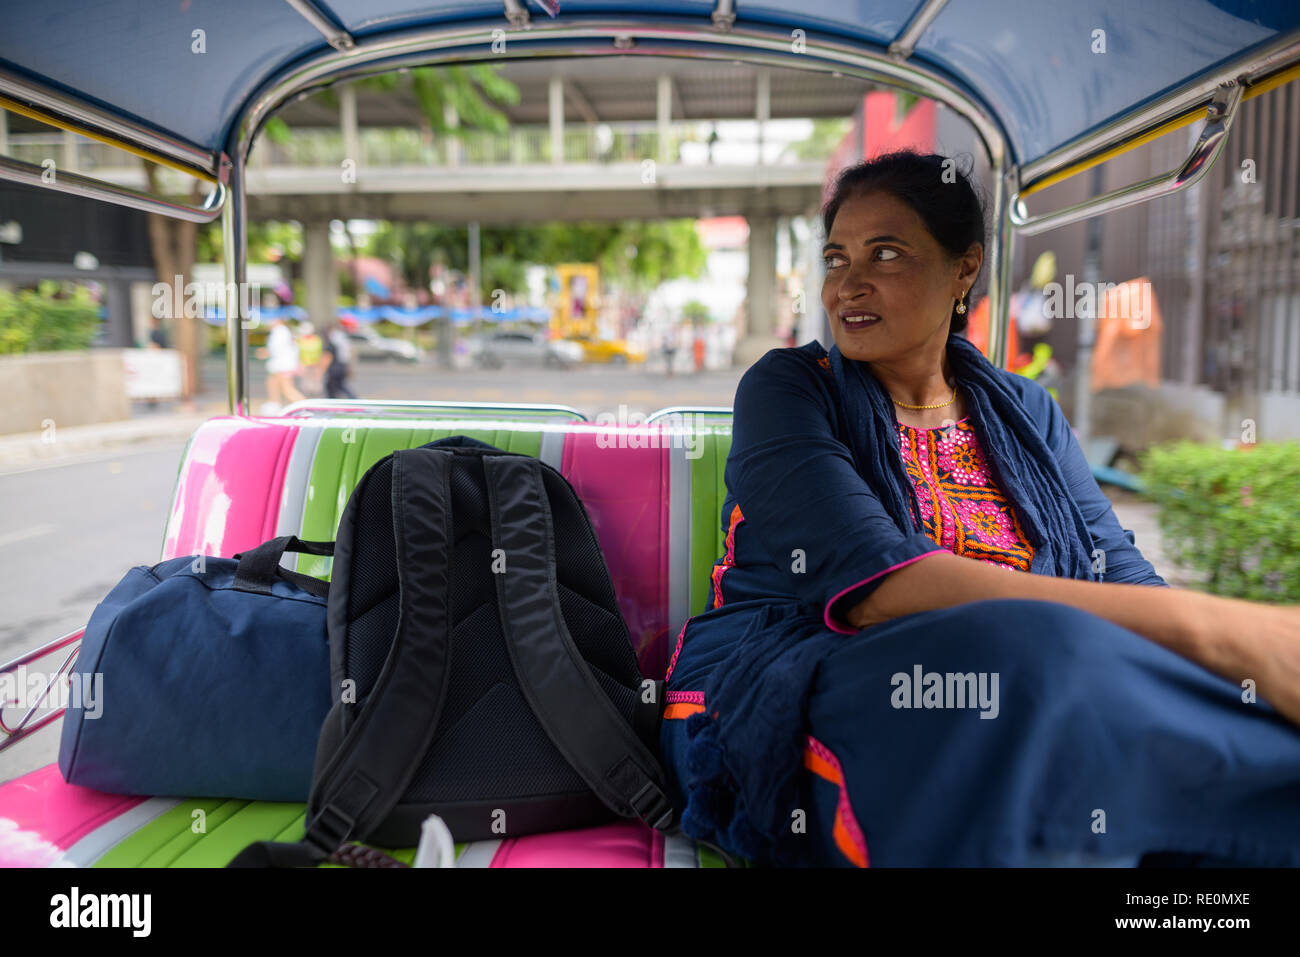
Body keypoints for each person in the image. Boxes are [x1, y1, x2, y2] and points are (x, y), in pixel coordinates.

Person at [660, 149, 1300, 868]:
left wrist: (1235, 663)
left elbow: (1116, 573)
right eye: (836, 258)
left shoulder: (1027, 410)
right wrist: (1225, 629)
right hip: (780, 687)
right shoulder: (788, 390)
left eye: (887, 253)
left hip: (1034, 675)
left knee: (1209, 710)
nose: (849, 284)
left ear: (964, 269)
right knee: (1032, 660)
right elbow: (879, 586)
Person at [255, 315, 304, 412]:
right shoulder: (283, 331)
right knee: (274, 384)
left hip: (282, 365)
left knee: (287, 389)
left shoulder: (280, 332)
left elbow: (277, 349)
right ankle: (275, 405)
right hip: (282, 365)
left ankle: (305, 407)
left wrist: (265, 352)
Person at [322, 322, 358, 399]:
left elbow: (329, 356)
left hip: (336, 367)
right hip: (342, 365)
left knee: (332, 386)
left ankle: (334, 401)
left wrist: (322, 369)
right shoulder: (343, 339)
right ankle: (353, 398)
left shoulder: (334, 341)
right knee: (339, 385)